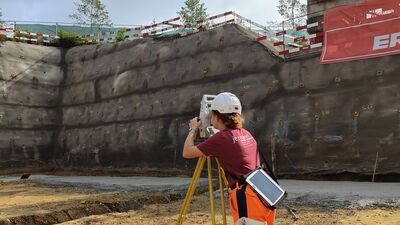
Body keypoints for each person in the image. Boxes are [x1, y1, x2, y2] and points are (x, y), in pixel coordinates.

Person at [182, 92, 277, 225]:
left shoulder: (221, 139)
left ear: (216, 116)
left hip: (248, 198)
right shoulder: (246, 133)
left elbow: (187, 152)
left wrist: (193, 129)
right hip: (264, 194)